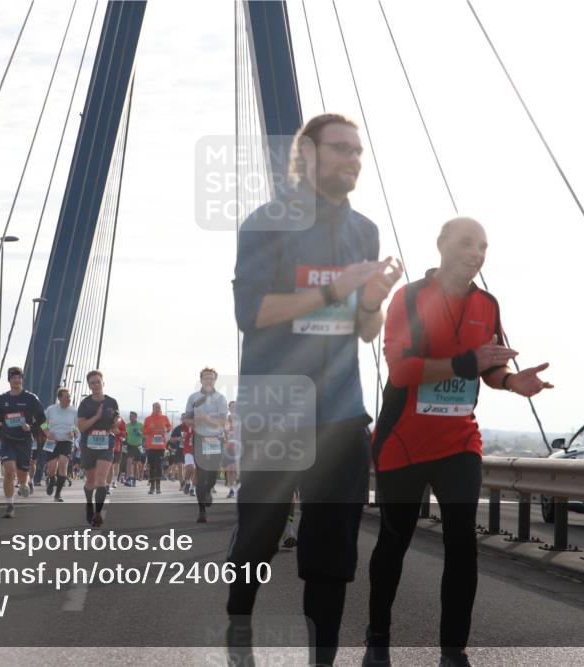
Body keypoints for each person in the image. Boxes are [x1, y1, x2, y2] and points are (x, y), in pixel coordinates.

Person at [227, 113, 404, 667]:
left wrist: (373, 298)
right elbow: (251, 313)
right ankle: (238, 640)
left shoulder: (365, 230)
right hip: (275, 408)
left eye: (358, 151)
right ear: (306, 152)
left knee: (331, 554)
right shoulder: (266, 223)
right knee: (258, 540)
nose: (353, 158)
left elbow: (366, 330)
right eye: (341, 148)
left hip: (342, 414)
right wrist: (335, 288)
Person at [367, 218, 553, 667]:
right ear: (441, 246)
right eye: (467, 244)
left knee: (461, 543)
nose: (477, 253)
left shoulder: (487, 303)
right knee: (395, 541)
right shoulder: (409, 297)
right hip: (403, 441)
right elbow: (402, 370)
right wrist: (467, 362)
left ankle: (453, 650)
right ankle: (377, 639)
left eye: (484, 246)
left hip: (459, 442)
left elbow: (488, 368)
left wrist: (512, 382)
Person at [0, 367, 46, 518]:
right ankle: (9, 505)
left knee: (22, 476)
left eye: (19, 377)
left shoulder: (31, 398)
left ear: (22, 379)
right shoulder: (2, 399)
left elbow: (42, 418)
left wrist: (31, 427)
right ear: (9, 380)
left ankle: (24, 483)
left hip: (25, 441)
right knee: (9, 470)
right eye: (13, 377)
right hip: (8, 440)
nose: (17, 380)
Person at [77, 370, 120, 528]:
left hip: (106, 442)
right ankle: (89, 504)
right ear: (89, 386)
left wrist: (116, 421)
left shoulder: (111, 402)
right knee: (91, 481)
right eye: (92, 383)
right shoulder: (85, 404)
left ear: (103, 383)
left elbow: (117, 419)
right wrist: (96, 416)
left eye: (98, 381)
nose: (96, 385)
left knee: (101, 479)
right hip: (88, 443)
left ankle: (97, 514)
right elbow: (81, 426)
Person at [186, 368, 227, 523]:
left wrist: (207, 419)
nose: (208, 380)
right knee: (201, 473)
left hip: (216, 439)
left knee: (213, 473)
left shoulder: (221, 398)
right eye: (206, 378)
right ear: (201, 380)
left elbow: (223, 422)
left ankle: (209, 489)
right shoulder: (193, 397)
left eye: (211, 378)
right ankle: (201, 510)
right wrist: (196, 421)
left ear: (215, 380)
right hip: (200, 438)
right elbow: (187, 420)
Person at [43, 387, 77, 502]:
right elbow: (42, 423)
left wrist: (74, 432)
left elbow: (78, 426)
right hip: (52, 441)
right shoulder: (51, 409)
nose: (69, 399)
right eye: (66, 397)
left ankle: (58, 494)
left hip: (66, 441)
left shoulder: (74, 411)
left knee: (63, 463)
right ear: (59, 398)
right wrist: (47, 432)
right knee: (51, 469)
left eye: (70, 396)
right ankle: (51, 479)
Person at [143, 402, 172, 495]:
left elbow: (169, 427)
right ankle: (152, 487)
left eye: (159, 407)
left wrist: (166, 429)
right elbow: (144, 432)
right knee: (151, 466)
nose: (157, 409)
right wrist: (149, 428)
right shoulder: (148, 419)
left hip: (160, 446)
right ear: (153, 408)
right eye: (156, 407)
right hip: (150, 447)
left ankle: (158, 486)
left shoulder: (164, 418)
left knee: (159, 466)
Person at [224, 400, 240, 498]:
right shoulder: (226, 420)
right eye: (231, 407)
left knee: (237, 470)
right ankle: (231, 490)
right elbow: (223, 433)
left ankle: (237, 488)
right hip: (229, 447)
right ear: (229, 409)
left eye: (235, 407)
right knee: (230, 470)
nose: (233, 408)